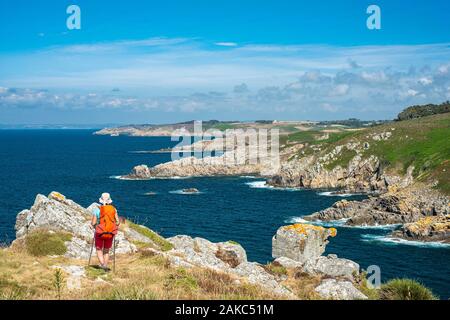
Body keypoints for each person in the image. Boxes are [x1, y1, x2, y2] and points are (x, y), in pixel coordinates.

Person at [91, 193, 120, 271]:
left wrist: (96, 226)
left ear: (100, 200)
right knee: (106, 250)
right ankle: (105, 266)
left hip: (99, 232)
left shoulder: (97, 210)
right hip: (110, 232)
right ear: (110, 201)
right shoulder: (113, 209)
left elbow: (93, 223)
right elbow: (117, 222)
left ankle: (103, 265)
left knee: (98, 248)